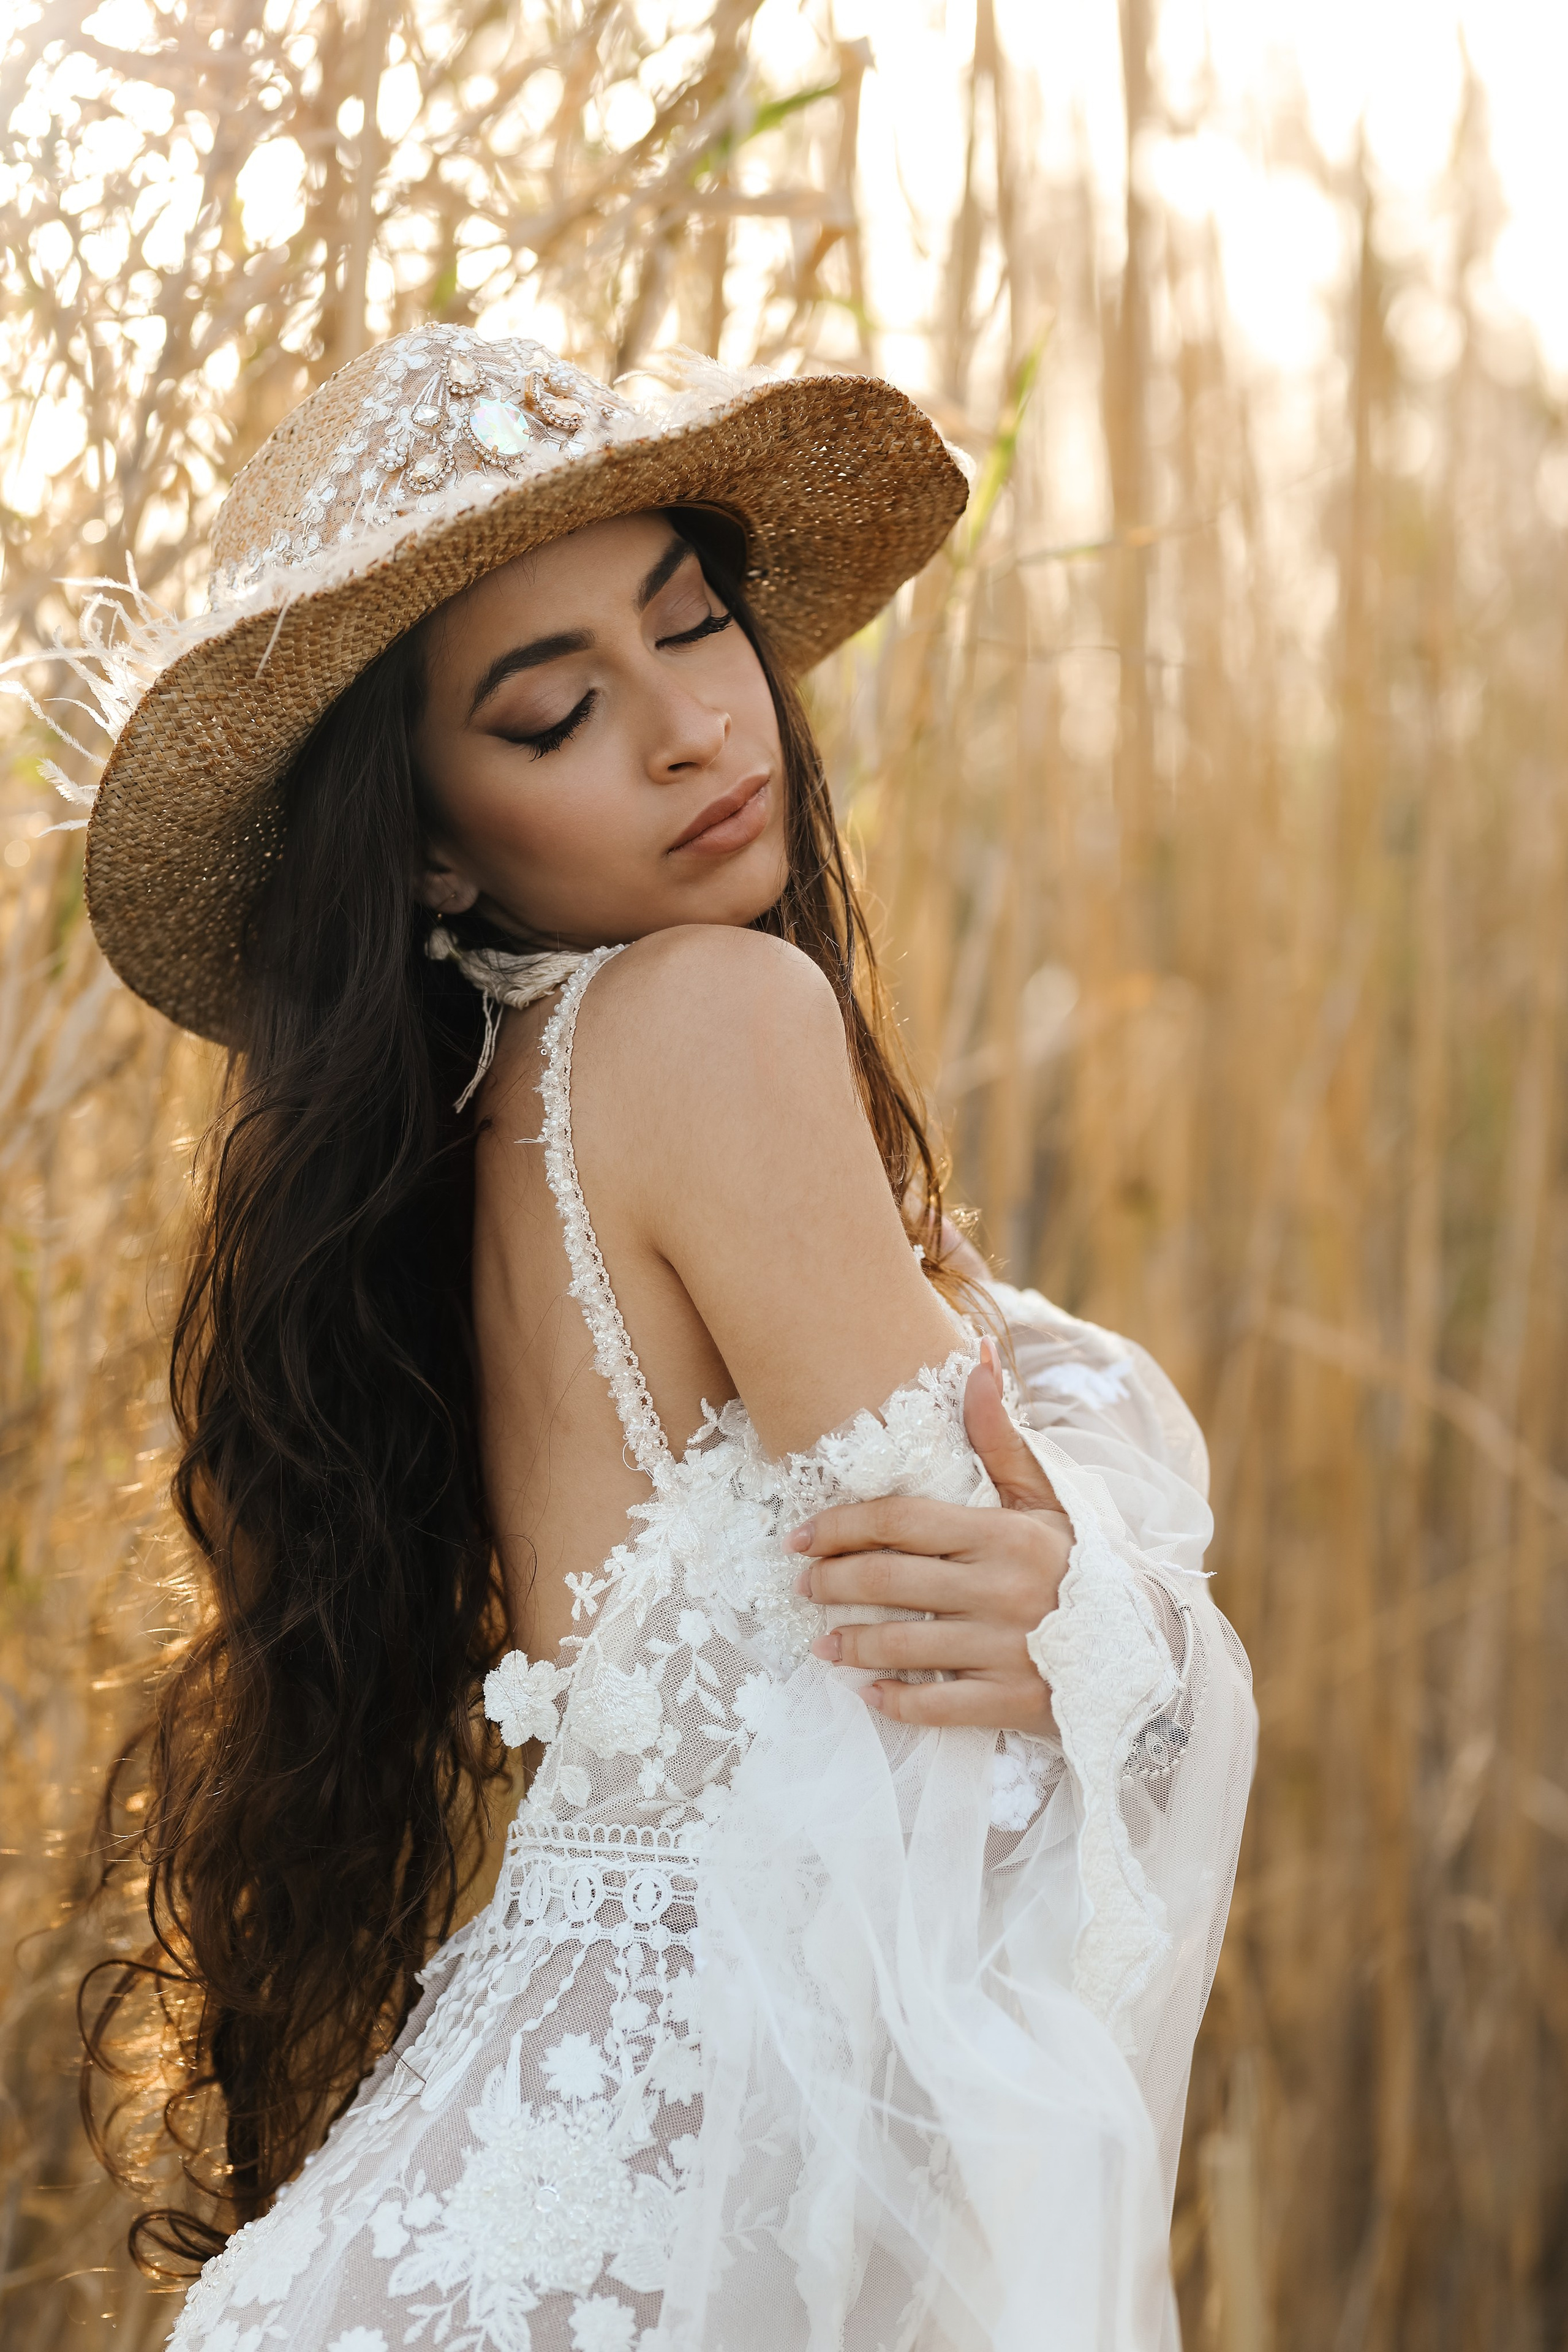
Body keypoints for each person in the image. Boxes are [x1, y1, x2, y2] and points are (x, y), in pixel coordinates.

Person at [68, 328, 1256, 2352]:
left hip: (480, 2244)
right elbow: (953, 1778)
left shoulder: (480, 1130)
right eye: (555, 714)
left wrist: (1084, 1587)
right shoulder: (714, 1020)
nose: (701, 729)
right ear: (431, 843)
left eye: (695, 625)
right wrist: (1122, 1618)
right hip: (635, 2247)